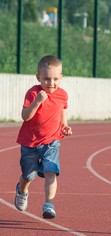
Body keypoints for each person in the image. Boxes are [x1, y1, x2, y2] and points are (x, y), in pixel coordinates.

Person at [14, 55, 72, 219]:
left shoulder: (63, 95)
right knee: (29, 175)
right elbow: (25, 116)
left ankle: (49, 204)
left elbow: (62, 109)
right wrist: (37, 102)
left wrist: (65, 126)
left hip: (52, 142)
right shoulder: (33, 93)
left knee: (51, 171)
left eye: (55, 79)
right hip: (30, 143)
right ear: (38, 77)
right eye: (46, 79)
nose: (51, 83)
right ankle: (22, 190)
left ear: (61, 78)